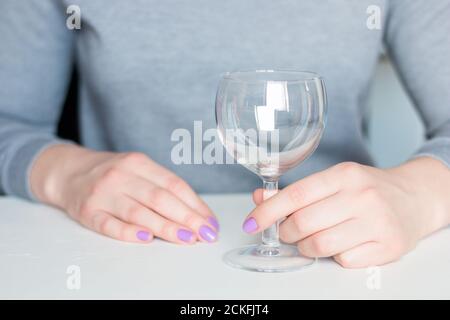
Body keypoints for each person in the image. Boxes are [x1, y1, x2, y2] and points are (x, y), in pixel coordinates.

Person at [0, 0, 449, 268]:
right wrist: (64, 173)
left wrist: (418, 194)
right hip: (125, 264)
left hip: (338, 266)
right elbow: (8, 121)